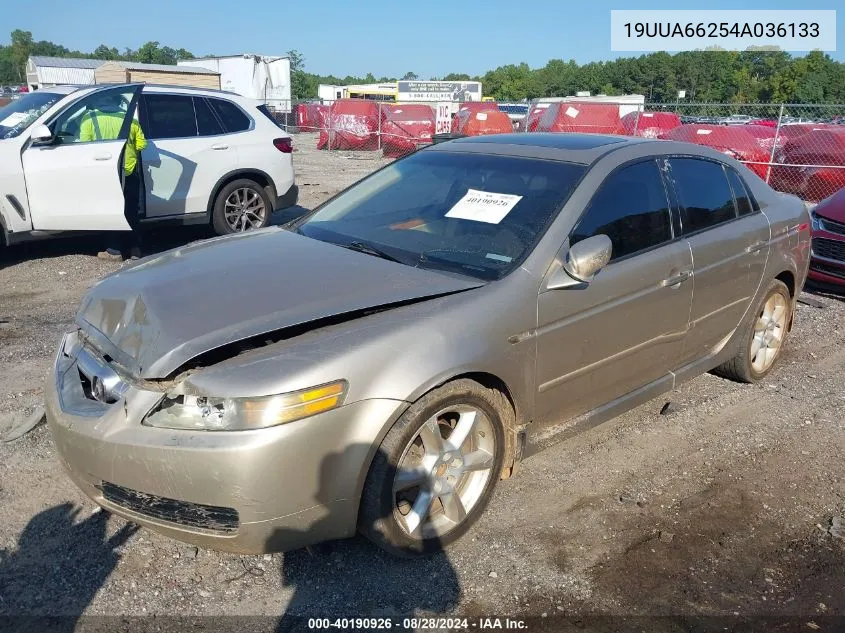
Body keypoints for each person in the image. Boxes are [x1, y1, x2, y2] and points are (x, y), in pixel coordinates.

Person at [78, 93, 147, 261]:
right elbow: (141, 145)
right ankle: (135, 249)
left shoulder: (89, 119)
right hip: (129, 171)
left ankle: (114, 250)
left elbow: (82, 146)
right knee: (131, 211)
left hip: (104, 174)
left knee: (110, 211)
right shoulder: (131, 120)